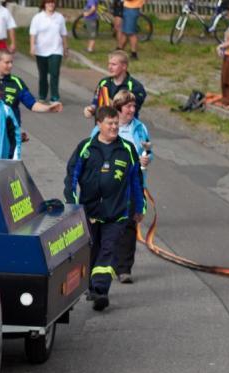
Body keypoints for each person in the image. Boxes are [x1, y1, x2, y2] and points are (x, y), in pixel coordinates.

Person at [64, 105, 144, 311]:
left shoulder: (127, 149)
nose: (114, 127)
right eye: (110, 123)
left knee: (108, 251)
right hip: (89, 213)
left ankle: (101, 290)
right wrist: (73, 204)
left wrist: (139, 207)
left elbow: (136, 180)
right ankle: (91, 287)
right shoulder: (86, 148)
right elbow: (71, 177)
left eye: (116, 123)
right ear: (99, 124)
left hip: (116, 214)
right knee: (93, 250)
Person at [90, 90, 150, 283]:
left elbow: (149, 151)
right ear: (118, 108)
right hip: (106, 189)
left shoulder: (140, 128)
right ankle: (102, 266)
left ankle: (124, 269)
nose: (132, 110)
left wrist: (146, 159)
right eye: (128, 106)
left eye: (134, 106)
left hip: (131, 186)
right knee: (105, 227)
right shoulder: (100, 130)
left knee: (129, 226)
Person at [0, 48, 63, 131]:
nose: (10, 66)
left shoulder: (16, 82)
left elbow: (32, 104)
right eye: (7, 62)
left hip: (10, 134)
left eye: (11, 62)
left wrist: (48, 108)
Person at [83, 49, 146, 118]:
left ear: (124, 66)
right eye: (109, 64)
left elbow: (132, 110)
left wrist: (112, 104)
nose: (109, 67)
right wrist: (91, 109)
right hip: (104, 126)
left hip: (125, 127)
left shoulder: (135, 86)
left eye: (114, 64)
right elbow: (96, 103)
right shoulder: (104, 83)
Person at [29, 0, 68, 103]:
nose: (51, 4)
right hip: (41, 50)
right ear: (44, 4)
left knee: (54, 73)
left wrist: (65, 48)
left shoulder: (59, 17)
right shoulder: (38, 17)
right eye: (48, 2)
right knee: (43, 74)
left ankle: (54, 97)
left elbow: (63, 34)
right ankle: (42, 95)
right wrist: (32, 46)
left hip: (56, 50)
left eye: (53, 2)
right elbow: (33, 34)